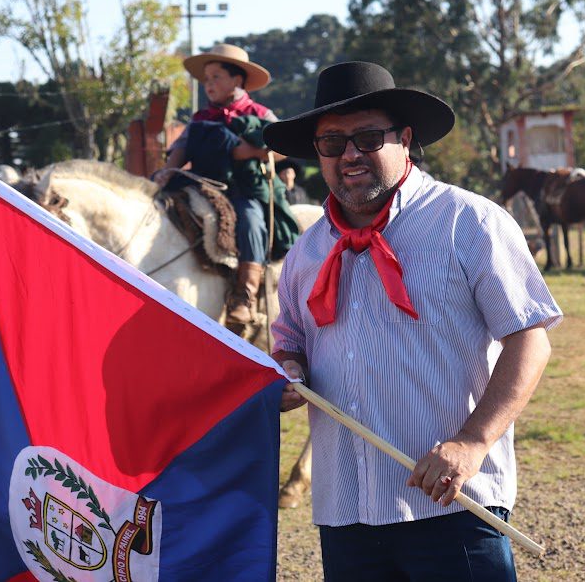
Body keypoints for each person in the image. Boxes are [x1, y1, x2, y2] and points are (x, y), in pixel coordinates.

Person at [263, 61, 563, 581]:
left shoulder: (470, 223)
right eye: (332, 144)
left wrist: (471, 443)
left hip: (451, 503)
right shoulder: (306, 252)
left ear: (404, 139)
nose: (350, 155)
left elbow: (529, 342)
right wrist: (289, 373)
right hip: (346, 513)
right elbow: (290, 343)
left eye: (367, 137)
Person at [152, 43, 294, 328]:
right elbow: (180, 148)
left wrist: (252, 150)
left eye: (216, 77)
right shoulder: (199, 119)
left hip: (243, 190)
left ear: (237, 80)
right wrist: (166, 173)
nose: (208, 84)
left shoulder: (260, 113)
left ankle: (244, 297)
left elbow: (283, 148)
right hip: (201, 186)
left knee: (251, 221)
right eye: (206, 79)